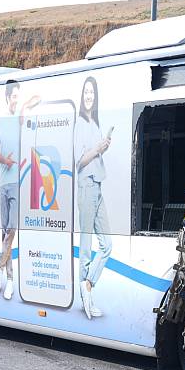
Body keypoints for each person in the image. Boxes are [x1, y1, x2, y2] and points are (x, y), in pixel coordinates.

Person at [0, 80, 39, 301]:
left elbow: (38, 99)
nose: (16, 100)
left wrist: (24, 105)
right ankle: (10, 278)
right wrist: (6, 161)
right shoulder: (1, 122)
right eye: (13, 97)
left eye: (18, 96)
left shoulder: (20, 119)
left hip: (18, 184)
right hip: (3, 183)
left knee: (12, 230)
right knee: (5, 234)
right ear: (6, 98)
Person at [73, 76, 111, 320]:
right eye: (86, 92)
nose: (89, 96)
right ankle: (85, 294)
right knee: (86, 246)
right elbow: (79, 161)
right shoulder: (79, 124)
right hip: (86, 186)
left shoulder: (94, 123)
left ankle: (88, 283)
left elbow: (94, 156)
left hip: (97, 186)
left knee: (107, 244)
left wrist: (102, 146)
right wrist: (97, 149)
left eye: (92, 93)